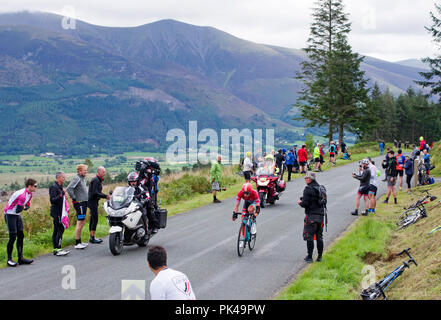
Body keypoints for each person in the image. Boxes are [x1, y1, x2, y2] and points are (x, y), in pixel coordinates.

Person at [3, 179, 37, 267]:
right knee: (13, 236)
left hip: (17, 214)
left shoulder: (30, 194)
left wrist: (24, 206)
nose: (36, 188)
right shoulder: (22, 195)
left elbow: (27, 206)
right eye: (35, 186)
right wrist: (23, 207)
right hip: (10, 214)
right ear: (29, 186)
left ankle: (20, 258)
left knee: (21, 235)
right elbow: (19, 208)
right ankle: (9, 259)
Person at [297, 172, 325, 263]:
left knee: (309, 237)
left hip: (311, 216)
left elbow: (305, 204)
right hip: (320, 215)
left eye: (306, 178)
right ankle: (320, 257)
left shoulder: (307, 189)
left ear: (310, 179)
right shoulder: (321, 188)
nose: (305, 179)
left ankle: (309, 257)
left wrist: (300, 202)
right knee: (319, 237)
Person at [66, 164, 89, 250]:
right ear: (79, 171)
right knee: (80, 222)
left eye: (86, 170)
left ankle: (79, 241)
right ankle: (77, 242)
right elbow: (69, 188)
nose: (86, 172)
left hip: (83, 203)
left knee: (82, 222)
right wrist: (74, 199)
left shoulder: (82, 179)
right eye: (84, 170)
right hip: (80, 203)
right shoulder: (77, 178)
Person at [88, 166, 111, 243]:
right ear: (99, 172)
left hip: (94, 201)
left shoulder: (98, 180)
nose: (104, 173)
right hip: (92, 201)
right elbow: (95, 193)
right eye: (103, 172)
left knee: (93, 218)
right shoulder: (96, 180)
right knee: (95, 219)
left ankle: (91, 236)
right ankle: (92, 237)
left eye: (105, 172)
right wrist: (105, 196)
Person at [49, 172, 70, 256]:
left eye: (64, 177)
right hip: (56, 212)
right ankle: (57, 248)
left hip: (61, 211)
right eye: (63, 177)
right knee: (59, 229)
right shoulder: (53, 187)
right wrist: (61, 195)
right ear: (58, 178)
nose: (64, 179)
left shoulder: (60, 186)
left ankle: (57, 248)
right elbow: (52, 200)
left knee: (58, 229)